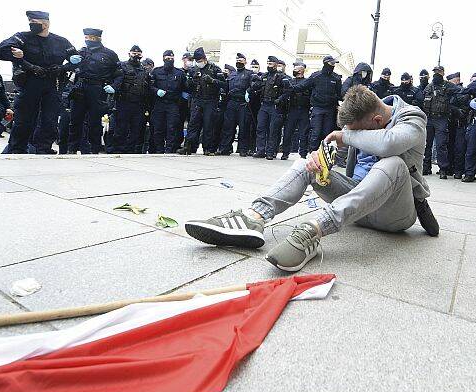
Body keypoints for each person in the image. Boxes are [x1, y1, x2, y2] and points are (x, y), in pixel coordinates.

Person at [184, 85, 438, 272]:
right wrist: (321, 157)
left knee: (392, 163)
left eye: (356, 131)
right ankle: (254, 216)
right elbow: (336, 157)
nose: (351, 135)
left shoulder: (412, 117)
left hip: (393, 213)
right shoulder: (360, 125)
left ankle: (313, 230)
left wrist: (344, 136)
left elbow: (389, 144)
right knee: (306, 164)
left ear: (377, 120)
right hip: (356, 204)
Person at [0, 11, 78, 154]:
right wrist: (23, 61)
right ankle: (17, 149)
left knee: (50, 118)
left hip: (54, 83)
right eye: (30, 22)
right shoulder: (22, 37)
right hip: (30, 82)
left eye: (34, 22)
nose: (31, 25)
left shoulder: (61, 41)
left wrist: (62, 67)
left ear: (45, 24)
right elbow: (2, 49)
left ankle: (44, 149)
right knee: (24, 118)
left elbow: (77, 59)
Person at [67, 28, 120, 154]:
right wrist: (70, 60)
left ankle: (94, 149)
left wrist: (114, 86)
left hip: (98, 89)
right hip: (80, 87)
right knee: (75, 119)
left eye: (92, 38)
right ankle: (72, 149)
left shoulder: (109, 54)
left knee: (95, 121)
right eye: (86, 38)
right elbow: (69, 68)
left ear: (99, 38)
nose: (89, 40)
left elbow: (119, 74)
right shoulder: (80, 52)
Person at [288, 55, 342, 157]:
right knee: (315, 133)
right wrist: (290, 88)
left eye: (334, 64)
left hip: (330, 109)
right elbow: (303, 86)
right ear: (326, 63)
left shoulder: (336, 78)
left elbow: (340, 94)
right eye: (332, 63)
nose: (333, 65)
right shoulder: (316, 76)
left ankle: (324, 156)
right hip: (317, 108)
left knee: (327, 133)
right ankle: (313, 154)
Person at [181, 47, 225, 155]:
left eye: (200, 61)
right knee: (193, 124)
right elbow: (187, 86)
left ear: (205, 59)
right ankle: (188, 147)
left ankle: (208, 149)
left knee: (209, 125)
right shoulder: (193, 70)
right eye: (197, 61)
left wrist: (213, 81)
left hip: (211, 100)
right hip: (197, 100)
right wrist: (192, 81)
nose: (199, 63)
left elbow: (224, 85)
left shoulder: (215, 69)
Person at [420, 65, 461, 175]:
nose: (436, 73)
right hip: (429, 118)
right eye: (435, 71)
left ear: (443, 73)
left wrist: (452, 105)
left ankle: (443, 169)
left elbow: (460, 92)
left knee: (441, 145)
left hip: (441, 119)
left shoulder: (448, 85)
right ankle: (426, 167)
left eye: (439, 71)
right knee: (427, 144)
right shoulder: (429, 86)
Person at [111, 45, 149, 154]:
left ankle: (130, 150)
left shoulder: (143, 70)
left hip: (138, 104)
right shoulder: (121, 66)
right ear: (129, 54)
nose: (136, 55)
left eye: (138, 54)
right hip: (123, 102)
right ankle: (118, 150)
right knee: (121, 127)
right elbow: (115, 80)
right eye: (134, 53)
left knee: (135, 129)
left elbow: (147, 86)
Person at [149, 50, 186, 154]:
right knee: (158, 127)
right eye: (167, 58)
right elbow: (149, 86)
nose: (169, 60)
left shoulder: (179, 73)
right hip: (159, 103)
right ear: (163, 58)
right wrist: (156, 91)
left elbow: (185, 87)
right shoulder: (156, 71)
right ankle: (159, 150)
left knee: (172, 127)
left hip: (173, 104)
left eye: (171, 58)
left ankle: (169, 149)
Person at [250, 56, 286, 159]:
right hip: (264, 105)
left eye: (271, 64)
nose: (269, 66)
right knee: (260, 128)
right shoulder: (264, 76)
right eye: (268, 63)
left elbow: (287, 91)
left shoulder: (281, 77)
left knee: (273, 130)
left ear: (275, 64)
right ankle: (260, 150)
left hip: (274, 105)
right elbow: (259, 87)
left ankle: (270, 152)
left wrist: (280, 99)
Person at [218, 53, 254, 156]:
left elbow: (253, 86)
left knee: (243, 128)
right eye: (238, 60)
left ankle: (243, 149)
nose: (239, 62)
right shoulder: (232, 74)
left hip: (243, 103)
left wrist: (248, 91)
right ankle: (225, 148)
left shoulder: (249, 74)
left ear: (245, 62)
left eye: (241, 60)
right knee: (228, 127)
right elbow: (226, 87)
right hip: (231, 103)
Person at [278, 61, 311, 159]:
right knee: (288, 132)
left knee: (303, 133)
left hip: (304, 110)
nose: (294, 70)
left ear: (301, 70)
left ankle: (303, 154)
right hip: (292, 109)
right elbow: (286, 94)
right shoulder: (290, 81)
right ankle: (285, 152)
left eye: (296, 68)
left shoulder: (307, 82)